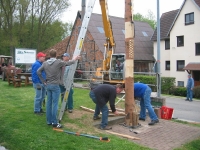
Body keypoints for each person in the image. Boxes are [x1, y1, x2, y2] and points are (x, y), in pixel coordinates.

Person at [37, 49, 80, 128]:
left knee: (49, 104)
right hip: (55, 86)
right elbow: (68, 63)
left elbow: (38, 71)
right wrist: (75, 59)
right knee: (55, 104)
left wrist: (43, 81)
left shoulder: (45, 63)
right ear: (56, 55)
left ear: (49, 55)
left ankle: (49, 121)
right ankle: (55, 123)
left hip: (48, 85)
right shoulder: (58, 62)